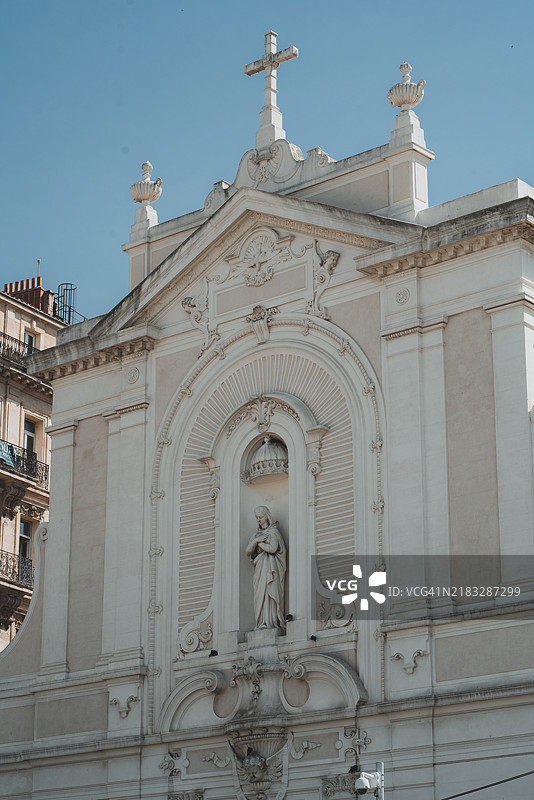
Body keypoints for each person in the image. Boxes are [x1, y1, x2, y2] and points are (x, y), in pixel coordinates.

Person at [246, 506, 286, 629]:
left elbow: (272, 549)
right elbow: (248, 551)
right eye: (257, 517)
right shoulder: (256, 535)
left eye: (261, 516)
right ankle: (261, 621)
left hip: (270, 568)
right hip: (260, 568)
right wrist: (255, 541)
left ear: (267, 516)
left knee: (270, 592)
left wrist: (259, 543)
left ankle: (271, 621)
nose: (258, 519)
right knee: (260, 594)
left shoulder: (273, 532)